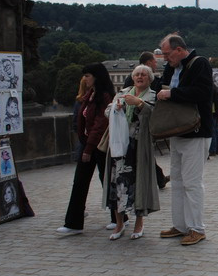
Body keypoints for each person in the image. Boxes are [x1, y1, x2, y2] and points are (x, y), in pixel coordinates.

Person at [157, 34, 213, 246]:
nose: (165, 58)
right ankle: (180, 225)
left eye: (167, 54)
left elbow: (202, 93)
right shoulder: (172, 67)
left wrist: (171, 94)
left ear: (179, 50)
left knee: (192, 182)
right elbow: (161, 88)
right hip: (177, 130)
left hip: (196, 130)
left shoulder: (200, 64)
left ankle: (197, 228)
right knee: (178, 181)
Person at [56, 63, 115, 235]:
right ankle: (73, 223)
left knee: (107, 181)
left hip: (99, 146)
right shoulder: (90, 94)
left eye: (87, 75)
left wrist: (88, 147)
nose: (85, 79)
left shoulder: (104, 96)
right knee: (80, 182)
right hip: (88, 143)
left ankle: (119, 217)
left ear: (96, 77)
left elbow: (100, 124)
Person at [104, 65, 161, 240]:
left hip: (139, 145)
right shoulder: (123, 92)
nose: (140, 77)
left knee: (138, 183)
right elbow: (107, 111)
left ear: (149, 78)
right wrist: (116, 107)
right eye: (137, 74)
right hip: (120, 145)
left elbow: (156, 115)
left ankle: (139, 223)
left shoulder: (152, 95)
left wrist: (140, 104)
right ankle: (119, 223)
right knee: (117, 183)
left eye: (144, 74)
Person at [122, 51, 169, 188]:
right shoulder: (144, 83)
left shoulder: (134, 81)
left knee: (143, 157)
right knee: (142, 158)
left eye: (142, 76)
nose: (156, 63)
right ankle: (155, 180)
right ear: (149, 62)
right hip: (133, 129)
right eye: (154, 61)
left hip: (142, 129)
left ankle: (153, 181)